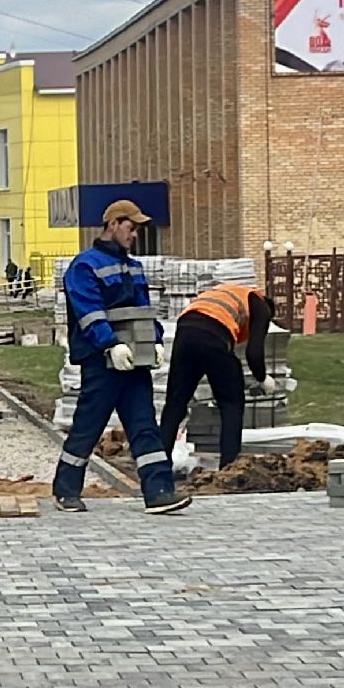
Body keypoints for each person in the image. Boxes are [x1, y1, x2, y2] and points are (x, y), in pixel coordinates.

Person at [53, 200, 190, 515]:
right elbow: (89, 312)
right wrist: (110, 345)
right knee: (89, 425)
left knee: (144, 425)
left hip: (133, 359)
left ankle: (158, 491)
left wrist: (154, 339)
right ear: (113, 224)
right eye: (131, 227)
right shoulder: (84, 266)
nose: (135, 235)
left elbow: (143, 310)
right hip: (102, 361)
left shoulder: (133, 266)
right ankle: (66, 490)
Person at [157, 283, 275, 468]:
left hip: (185, 332)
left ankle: (158, 467)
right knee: (231, 404)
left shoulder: (228, 292)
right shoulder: (261, 306)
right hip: (213, 335)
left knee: (175, 403)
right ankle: (229, 467)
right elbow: (253, 353)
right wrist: (262, 378)